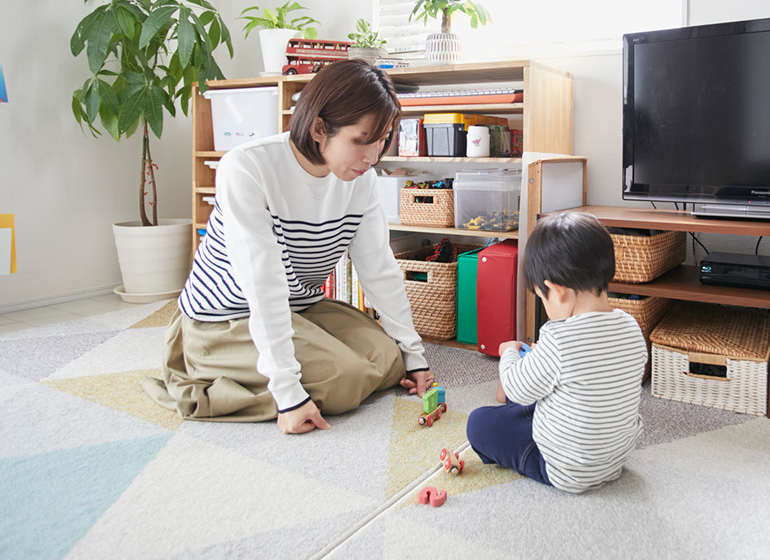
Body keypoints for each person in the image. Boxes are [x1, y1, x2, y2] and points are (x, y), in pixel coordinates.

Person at [142, 60, 435, 434]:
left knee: (390, 356)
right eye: (362, 140)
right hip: (223, 318)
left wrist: (414, 356)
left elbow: (379, 269)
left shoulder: (361, 179)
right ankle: (213, 372)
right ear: (319, 128)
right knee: (343, 378)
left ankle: (303, 368)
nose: (373, 155)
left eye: (383, 140)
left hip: (300, 307)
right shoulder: (247, 167)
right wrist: (288, 394)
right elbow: (262, 284)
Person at [465, 212, 647, 493]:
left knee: (479, 423)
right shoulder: (631, 326)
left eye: (542, 297)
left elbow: (515, 389)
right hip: (614, 459)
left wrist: (508, 352)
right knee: (546, 391)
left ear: (556, 291)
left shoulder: (559, 337)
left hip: (565, 469)